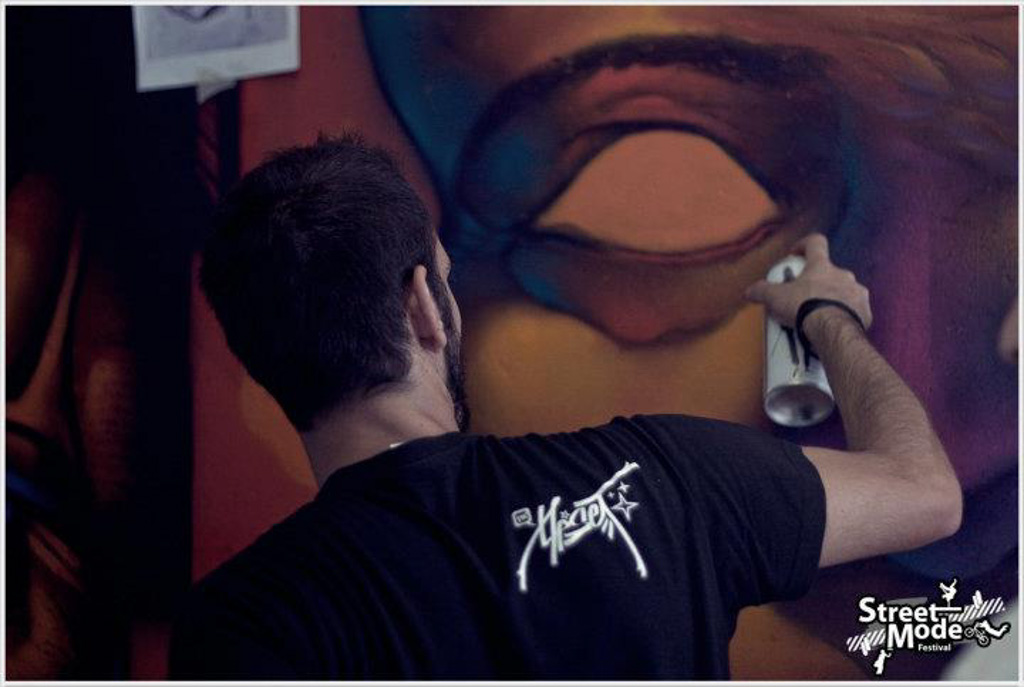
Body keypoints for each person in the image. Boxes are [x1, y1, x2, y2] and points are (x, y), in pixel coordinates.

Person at [168, 135, 961, 679]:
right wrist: (827, 316)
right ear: (423, 307)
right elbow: (923, 489)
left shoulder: (243, 623)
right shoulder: (661, 479)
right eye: (445, 276)